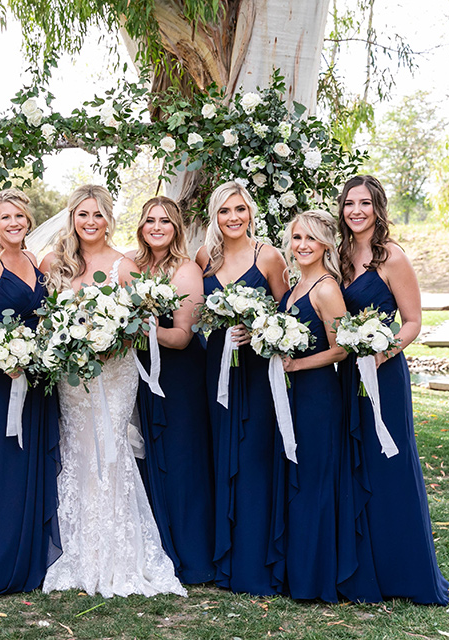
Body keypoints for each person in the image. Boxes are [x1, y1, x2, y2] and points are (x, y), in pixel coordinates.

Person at [40, 185, 186, 598]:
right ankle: (80, 548)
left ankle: (119, 553)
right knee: (76, 451)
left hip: (115, 374)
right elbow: (45, 321)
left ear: (109, 219)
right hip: (72, 378)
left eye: (98, 215)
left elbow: (142, 326)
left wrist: (110, 338)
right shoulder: (54, 263)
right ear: (72, 217)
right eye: (83, 214)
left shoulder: (126, 266)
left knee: (110, 449)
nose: (90, 222)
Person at [335, 175, 449, 605]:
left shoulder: (393, 257)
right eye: (349, 203)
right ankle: (360, 568)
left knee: (389, 465)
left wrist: (383, 352)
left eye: (365, 203)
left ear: (378, 208)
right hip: (345, 373)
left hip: (383, 373)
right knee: (353, 462)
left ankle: (404, 573)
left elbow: (413, 321)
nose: (356, 211)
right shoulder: (340, 254)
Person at [0, 188, 61, 595]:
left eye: (20, 216)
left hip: (33, 379)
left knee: (27, 466)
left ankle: (26, 562)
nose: (14, 223)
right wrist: (4, 353)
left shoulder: (36, 262)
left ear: (28, 220)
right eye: (6, 218)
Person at [195, 180, 289, 595]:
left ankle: (254, 562)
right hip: (216, 370)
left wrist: (260, 332)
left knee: (253, 458)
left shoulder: (268, 256)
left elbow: (289, 316)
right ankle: (224, 558)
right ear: (215, 217)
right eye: (224, 211)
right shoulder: (205, 257)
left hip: (256, 371)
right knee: (220, 457)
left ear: (251, 212)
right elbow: (196, 313)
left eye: (239, 210)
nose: (233, 218)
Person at [128, 196, 215, 585]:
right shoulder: (132, 265)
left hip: (180, 378)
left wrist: (136, 330)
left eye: (165, 221)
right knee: (148, 457)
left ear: (176, 227)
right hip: (142, 377)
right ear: (141, 226)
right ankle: (155, 549)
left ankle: (191, 555)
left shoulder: (186, 269)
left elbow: (181, 336)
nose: (157, 227)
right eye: (150, 220)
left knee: (181, 460)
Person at [272, 210, 348, 602]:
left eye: (311, 239)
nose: (302, 245)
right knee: (297, 478)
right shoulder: (296, 282)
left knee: (315, 480)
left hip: (318, 393)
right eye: (297, 237)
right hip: (293, 393)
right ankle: (297, 571)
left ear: (326, 245)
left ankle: (315, 579)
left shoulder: (325, 287)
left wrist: (297, 363)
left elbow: (343, 347)